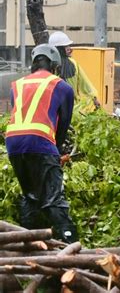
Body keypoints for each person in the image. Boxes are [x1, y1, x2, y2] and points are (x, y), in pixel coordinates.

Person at [5, 44, 78, 243]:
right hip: (40, 142)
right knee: (54, 199)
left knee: (31, 196)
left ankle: (29, 243)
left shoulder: (17, 85)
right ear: (55, 65)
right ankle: (71, 245)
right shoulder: (62, 87)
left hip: (13, 144)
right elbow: (62, 126)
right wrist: (58, 152)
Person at [48, 31, 99, 109]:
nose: (69, 49)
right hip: (74, 108)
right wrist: (95, 99)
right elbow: (86, 84)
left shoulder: (49, 65)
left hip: (54, 109)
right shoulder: (74, 64)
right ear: (61, 49)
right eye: (67, 46)